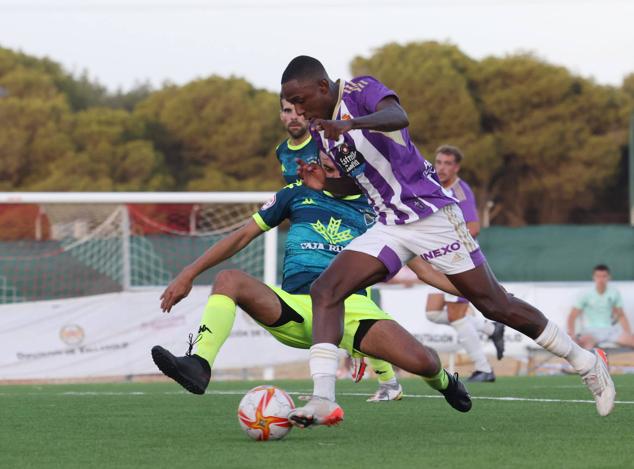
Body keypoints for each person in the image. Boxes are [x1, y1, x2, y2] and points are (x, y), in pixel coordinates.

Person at [280, 55, 615, 426]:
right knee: (326, 289)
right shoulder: (319, 131)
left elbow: (398, 117)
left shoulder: (360, 90)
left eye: (302, 100)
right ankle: (324, 398)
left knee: (495, 304)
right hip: (390, 222)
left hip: (431, 215)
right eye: (291, 104)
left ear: (323, 87)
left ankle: (586, 361)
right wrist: (323, 183)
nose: (298, 110)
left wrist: (350, 124)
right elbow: (357, 179)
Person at [151, 155, 473, 424]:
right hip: (296, 306)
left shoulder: (376, 211)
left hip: (351, 313)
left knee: (425, 362)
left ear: (352, 173)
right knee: (229, 280)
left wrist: (476, 293)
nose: (318, 170)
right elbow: (241, 236)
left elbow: (423, 269)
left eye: (330, 168)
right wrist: (189, 272)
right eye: (320, 163)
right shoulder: (295, 194)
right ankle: (199, 364)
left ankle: (446, 382)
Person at [277, 98, 403, 401]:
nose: (293, 117)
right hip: (319, 225)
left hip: (352, 218)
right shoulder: (282, 151)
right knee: (326, 308)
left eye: (298, 110)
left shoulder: (325, 138)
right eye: (286, 110)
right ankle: (385, 382)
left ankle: (386, 379)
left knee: (350, 306)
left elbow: (355, 176)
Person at [425, 145, 504, 382]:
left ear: (456, 167)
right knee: (432, 313)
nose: (441, 167)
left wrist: (448, 246)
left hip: (457, 260)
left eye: (447, 163)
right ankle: (491, 329)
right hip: (440, 257)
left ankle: (484, 369)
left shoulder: (460, 191)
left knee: (457, 316)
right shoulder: (434, 186)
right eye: (439, 162)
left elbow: (474, 227)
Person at [567, 264, 634, 349]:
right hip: (591, 331)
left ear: (609, 277)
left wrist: (628, 333)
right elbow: (572, 316)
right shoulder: (586, 294)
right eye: (598, 276)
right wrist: (571, 334)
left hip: (610, 331)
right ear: (593, 277)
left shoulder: (614, 293)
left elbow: (621, 315)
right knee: (584, 344)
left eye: (604, 276)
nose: (601, 279)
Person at [276, 98, 320, 184]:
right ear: (281, 115)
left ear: (310, 114)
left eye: (300, 110)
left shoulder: (324, 144)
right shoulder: (280, 150)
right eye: (288, 111)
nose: (294, 117)